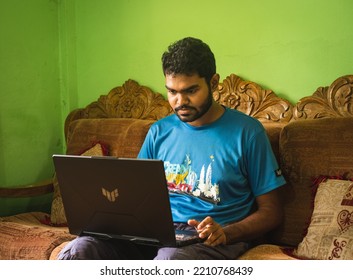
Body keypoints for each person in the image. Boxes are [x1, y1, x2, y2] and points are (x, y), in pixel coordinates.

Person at [58, 37, 285, 260]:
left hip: (211, 238)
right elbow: (134, 196)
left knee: (169, 261)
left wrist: (227, 232)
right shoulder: (159, 131)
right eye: (172, 92)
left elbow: (271, 212)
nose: (179, 101)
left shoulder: (248, 133)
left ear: (214, 83)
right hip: (153, 234)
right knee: (80, 250)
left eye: (190, 91)